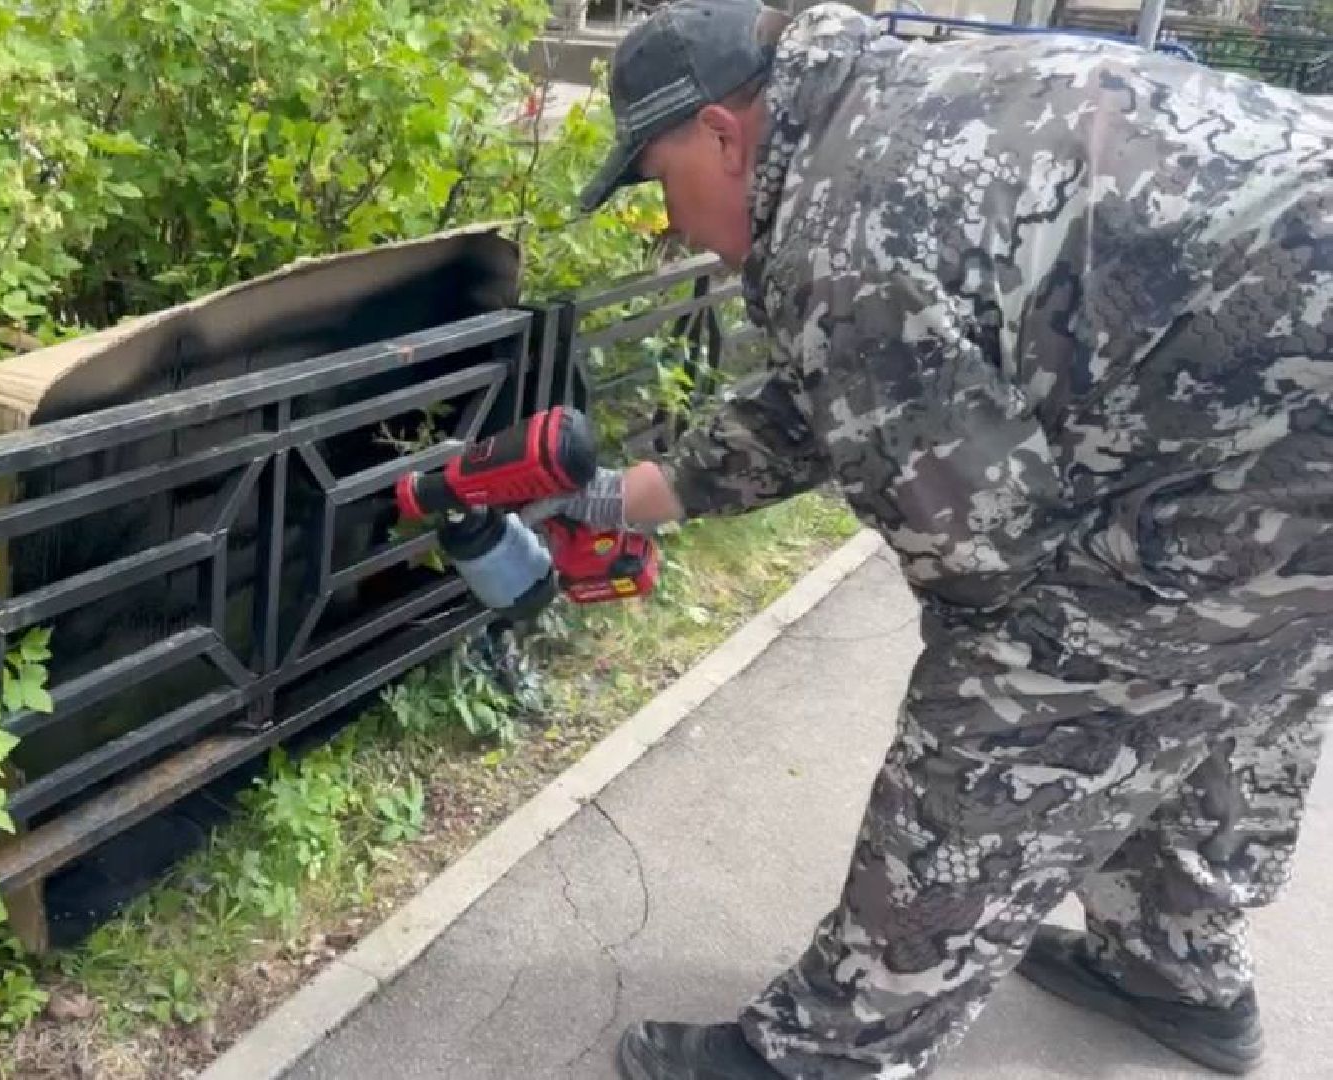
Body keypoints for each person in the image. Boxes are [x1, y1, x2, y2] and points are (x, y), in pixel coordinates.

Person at [528, 0, 1333, 1077]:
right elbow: (847, 384)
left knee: (1016, 696)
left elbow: (983, 551)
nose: (666, 223)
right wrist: (639, 494)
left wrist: (1033, 694)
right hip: (1284, 416)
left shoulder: (845, 221)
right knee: (1250, 664)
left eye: (656, 179)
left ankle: (824, 1056)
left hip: (1279, 441)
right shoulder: (882, 100)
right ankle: (1171, 961)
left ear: (723, 134)